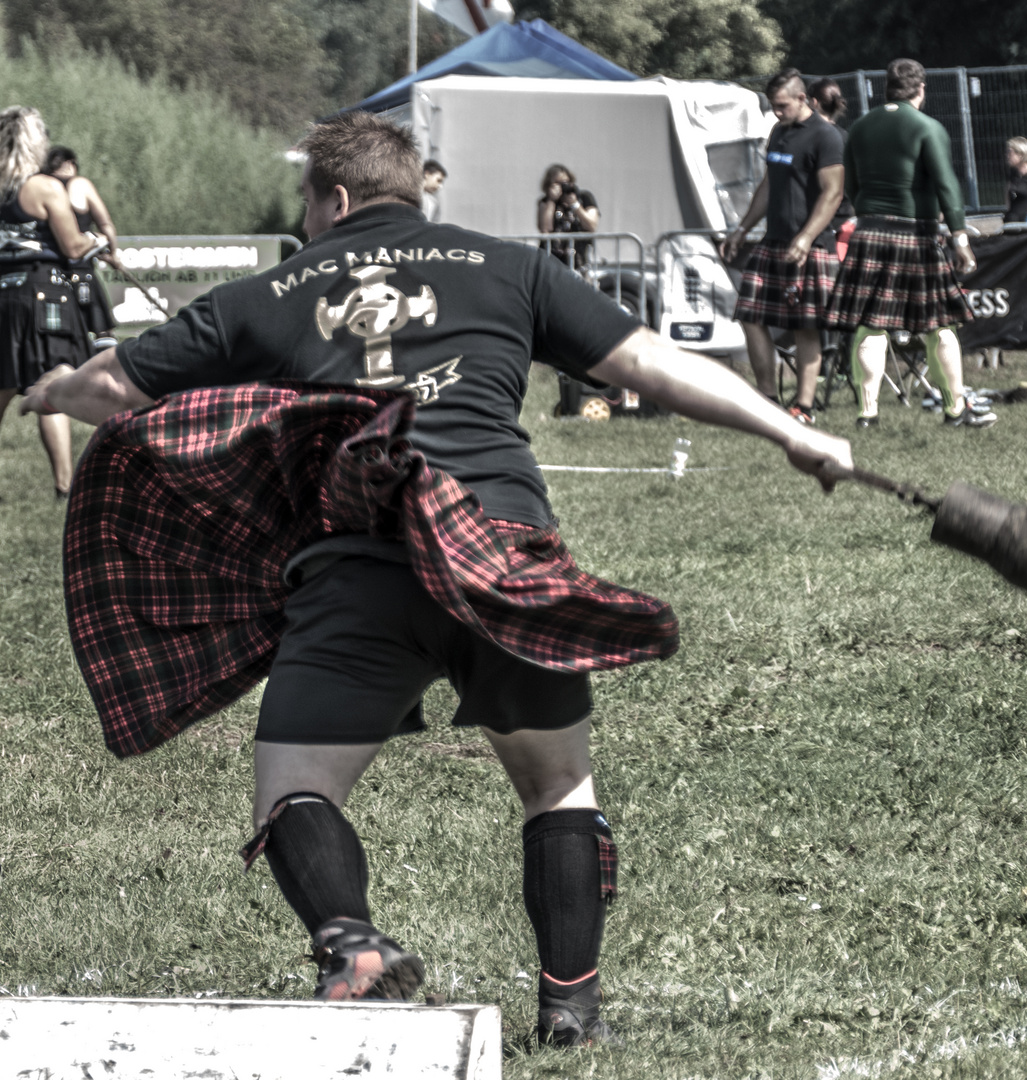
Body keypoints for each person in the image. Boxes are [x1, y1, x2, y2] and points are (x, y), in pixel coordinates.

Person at [21, 112, 852, 1047]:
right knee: (556, 787)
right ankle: (571, 1009)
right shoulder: (507, 265)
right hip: (500, 554)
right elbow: (648, 362)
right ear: (415, 190)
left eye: (307, 205)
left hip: (360, 566)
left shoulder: (266, 293)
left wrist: (47, 388)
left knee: (296, 788)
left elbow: (109, 390)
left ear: (332, 199)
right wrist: (792, 430)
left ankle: (352, 946)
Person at [825, 58, 996, 430]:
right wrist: (960, 237)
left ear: (887, 88)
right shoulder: (927, 127)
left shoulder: (860, 127)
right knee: (939, 326)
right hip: (915, 235)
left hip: (869, 232)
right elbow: (947, 185)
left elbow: (851, 186)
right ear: (921, 89)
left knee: (870, 326)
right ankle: (954, 410)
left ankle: (867, 415)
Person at [721, 69, 845, 425]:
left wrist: (806, 237)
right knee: (749, 315)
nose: (777, 112)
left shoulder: (826, 137)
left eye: (782, 106)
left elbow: (833, 193)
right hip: (772, 242)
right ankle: (767, 400)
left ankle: (803, 407)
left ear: (803, 99)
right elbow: (769, 186)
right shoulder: (778, 133)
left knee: (805, 326)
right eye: (773, 106)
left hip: (811, 245)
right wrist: (742, 229)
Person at [0, 107, 100, 499]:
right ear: (34, 140)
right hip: (44, 293)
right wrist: (99, 244)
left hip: (2, 293)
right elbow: (73, 244)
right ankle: (64, 485)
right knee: (51, 384)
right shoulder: (44, 187)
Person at [45, 145, 119, 342]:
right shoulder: (80, 184)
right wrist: (113, 255)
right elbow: (106, 225)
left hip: (51, 274)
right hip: (82, 270)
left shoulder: (41, 188)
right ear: (70, 164)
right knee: (101, 334)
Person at [808, 77, 857, 262]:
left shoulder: (809, 137)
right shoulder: (846, 136)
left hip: (819, 223)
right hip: (844, 218)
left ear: (813, 102)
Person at [537, 164, 599, 267]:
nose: (562, 187)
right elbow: (545, 228)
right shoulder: (546, 202)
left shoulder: (584, 197)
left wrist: (575, 205)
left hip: (580, 258)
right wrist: (551, 201)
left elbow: (591, 225)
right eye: (557, 183)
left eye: (565, 183)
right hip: (553, 259)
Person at [421, 159, 447, 223]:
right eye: (438, 180)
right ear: (427, 174)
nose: (440, 186)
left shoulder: (434, 203)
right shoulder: (407, 194)